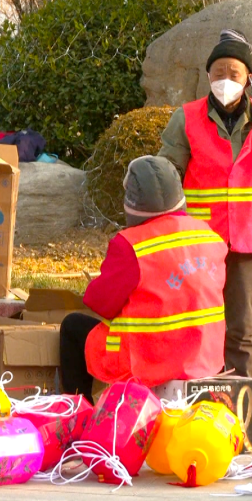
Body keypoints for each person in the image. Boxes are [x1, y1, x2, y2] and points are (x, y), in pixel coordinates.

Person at [158, 29, 252, 377]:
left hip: (248, 242)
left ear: (249, 78)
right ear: (208, 75)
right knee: (197, 322)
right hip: (200, 241)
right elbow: (167, 172)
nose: (226, 79)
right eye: (218, 72)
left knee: (242, 328)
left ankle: (239, 403)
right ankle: (199, 395)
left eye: (234, 73)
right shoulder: (187, 116)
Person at [60, 156, 228, 403]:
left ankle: (78, 416)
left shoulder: (132, 244)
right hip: (207, 361)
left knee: (72, 327)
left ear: (132, 202)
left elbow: (100, 303)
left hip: (150, 361)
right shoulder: (210, 236)